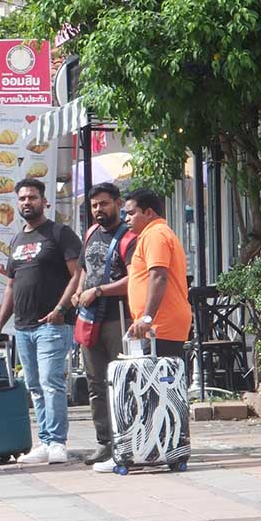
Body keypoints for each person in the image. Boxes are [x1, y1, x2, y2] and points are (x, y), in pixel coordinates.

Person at [0, 178, 82, 465]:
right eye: (23, 198)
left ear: (44, 201)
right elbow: (11, 287)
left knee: (51, 382)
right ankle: (45, 442)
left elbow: (77, 274)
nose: (27, 202)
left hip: (53, 323)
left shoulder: (60, 233)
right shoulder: (16, 240)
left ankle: (58, 442)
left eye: (32, 197)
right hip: (23, 327)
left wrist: (61, 308)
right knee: (34, 385)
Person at [70, 183, 137, 466]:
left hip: (117, 317)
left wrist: (98, 291)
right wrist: (78, 291)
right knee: (95, 383)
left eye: (104, 204)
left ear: (118, 204)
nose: (99, 209)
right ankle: (105, 442)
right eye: (94, 205)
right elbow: (84, 269)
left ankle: (128, 440)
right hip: (89, 318)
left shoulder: (129, 237)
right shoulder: (90, 233)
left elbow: (134, 279)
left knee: (122, 382)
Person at [124, 188, 192, 361]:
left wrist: (147, 318)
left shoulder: (155, 234)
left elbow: (159, 277)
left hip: (159, 327)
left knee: (156, 377)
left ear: (148, 213)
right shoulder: (154, 233)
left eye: (131, 213)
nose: (126, 219)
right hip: (157, 326)